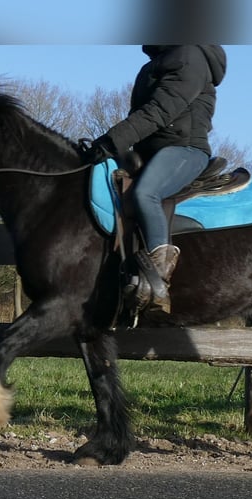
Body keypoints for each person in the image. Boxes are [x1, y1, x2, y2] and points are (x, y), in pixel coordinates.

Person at [84, 45, 227, 314]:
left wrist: (111, 141)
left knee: (145, 193)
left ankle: (157, 280)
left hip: (185, 150)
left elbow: (161, 110)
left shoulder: (189, 55)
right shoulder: (155, 63)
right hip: (151, 153)